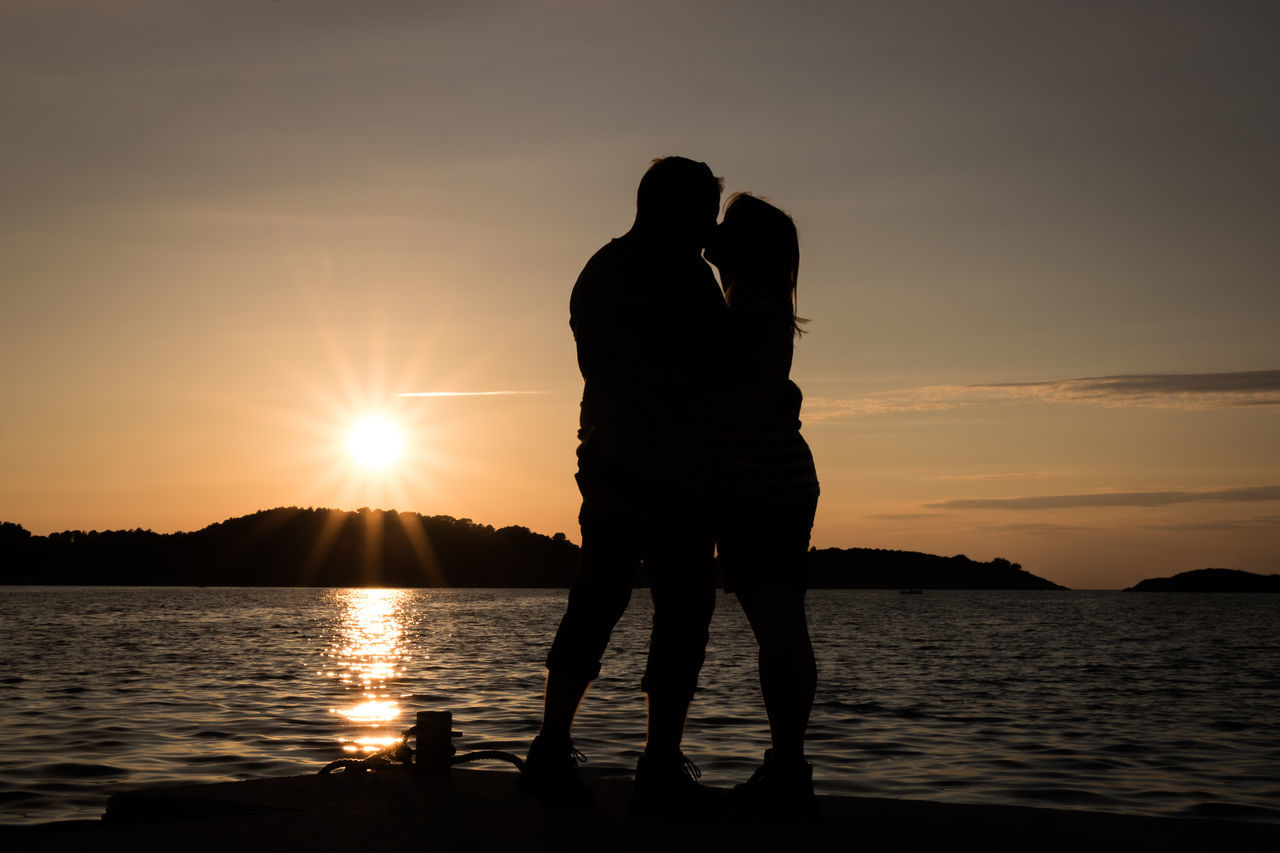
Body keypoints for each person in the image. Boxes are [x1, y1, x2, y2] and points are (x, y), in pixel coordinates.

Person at [519, 157, 728, 814]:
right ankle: (650, 761)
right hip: (657, 467)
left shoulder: (607, 270)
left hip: (620, 459)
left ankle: (560, 747)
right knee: (671, 606)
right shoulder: (679, 278)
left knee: (611, 598)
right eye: (702, 213)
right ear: (669, 206)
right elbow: (710, 367)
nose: (709, 228)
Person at [705, 192, 820, 814]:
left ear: (747, 248)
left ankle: (788, 771)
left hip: (759, 485)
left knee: (779, 630)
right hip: (770, 481)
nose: (714, 232)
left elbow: (737, 392)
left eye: (729, 227)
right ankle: (787, 767)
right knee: (780, 628)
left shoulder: (752, 312)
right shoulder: (755, 308)